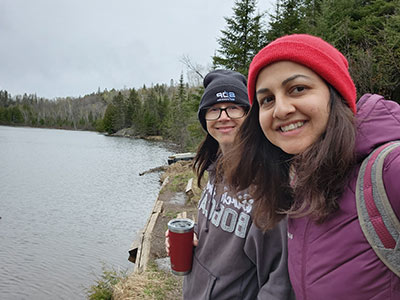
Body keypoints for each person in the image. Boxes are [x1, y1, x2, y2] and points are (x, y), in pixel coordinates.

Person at [222, 33, 400, 299]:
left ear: (334, 94)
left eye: (298, 89)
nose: (281, 109)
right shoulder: (294, 181)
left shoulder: (389, 171)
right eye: (267, 99)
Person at [166, 69, 295, 299]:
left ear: (249, 114)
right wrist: (194, 236)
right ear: (205, 119)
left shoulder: (269, 183)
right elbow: (221, 229)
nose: (223, 117)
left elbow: (279, 283)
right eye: (214, 109)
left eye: (233, 107)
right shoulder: (215, 169)